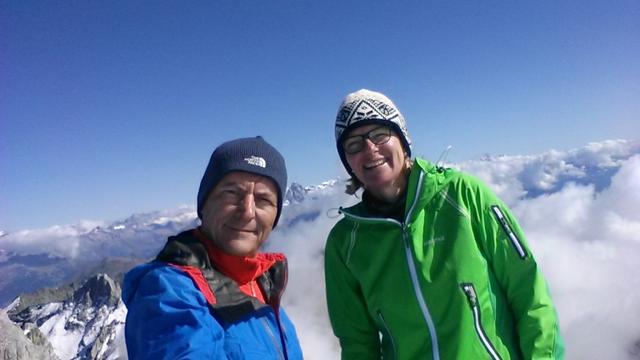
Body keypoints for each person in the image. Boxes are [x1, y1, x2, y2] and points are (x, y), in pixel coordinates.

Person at [324, 89, 564, 359]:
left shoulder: (463, 195)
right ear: (348, 162)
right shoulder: (345, 241)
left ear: (403, 141)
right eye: (354, 144)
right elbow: (357, 343)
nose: (370, 149)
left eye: (380, 134)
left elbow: (528, 291)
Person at [122, 136, 303, 359]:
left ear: (275, 215)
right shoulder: (169, 290)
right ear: (204, 204)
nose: (247, 211)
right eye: (231, 193)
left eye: (263, 199)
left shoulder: (262, 283)